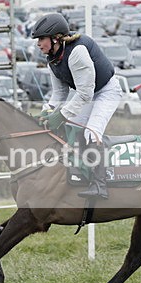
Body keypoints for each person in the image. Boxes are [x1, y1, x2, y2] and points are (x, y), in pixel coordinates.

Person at [31, 12, 123, 199]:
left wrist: (61, 115)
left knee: (91, 133)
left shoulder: (77, 52)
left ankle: (100, 185)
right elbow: (59, 93)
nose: (38, 44)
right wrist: (47, 111)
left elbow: (84, 93)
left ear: (55, 38)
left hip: (107, 91)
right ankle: (80, 173)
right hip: (89, 93)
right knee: (72, 129)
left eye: (41, 39)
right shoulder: (52, 58)